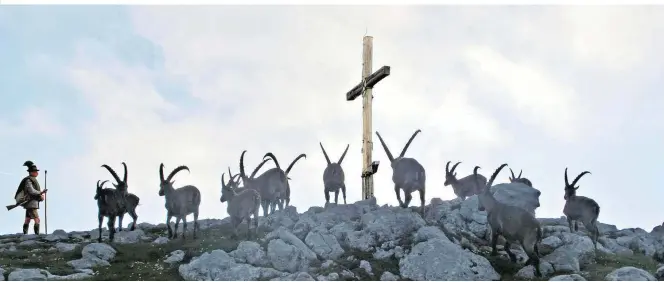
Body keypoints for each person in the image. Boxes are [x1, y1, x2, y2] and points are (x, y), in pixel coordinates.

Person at [15, 161, 46, 235]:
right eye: (35, 171)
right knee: (37, 219)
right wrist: (40, 192)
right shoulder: (28, 180)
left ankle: (25, 234)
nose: (37, 173)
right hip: (31, 204)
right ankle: (36, 235)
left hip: (32, 203)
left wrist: (40, 196)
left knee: (27, 219)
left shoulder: (32, 180)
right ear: (31, 172)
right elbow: (31, 191)